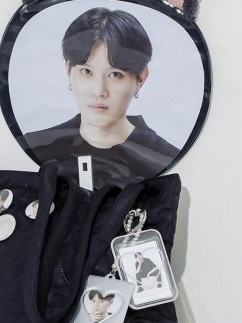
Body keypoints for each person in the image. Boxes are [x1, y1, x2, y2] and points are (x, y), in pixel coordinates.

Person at [24, 7, 180, 188]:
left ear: (141, 78)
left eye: (115, 74)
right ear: (68, 70)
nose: (99, 91)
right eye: (86, 71)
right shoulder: (36, 146)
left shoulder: (166, 159)